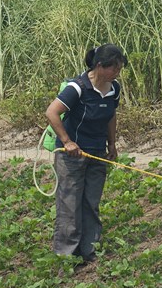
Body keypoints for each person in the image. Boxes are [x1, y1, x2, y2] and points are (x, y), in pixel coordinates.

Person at [44, 44, 128, 263]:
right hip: (72, 155)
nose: (117, 73)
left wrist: (112, 143)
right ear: (100, 66)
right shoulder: (77, 87)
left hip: (97, 152)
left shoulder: (113, 89)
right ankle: (66, 256)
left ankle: (89, 251)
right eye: (114, 69)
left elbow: (111, 115)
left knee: (91, 202)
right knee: (70, 204)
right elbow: (52, 112)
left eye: (119, 69)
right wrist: (67, 141)